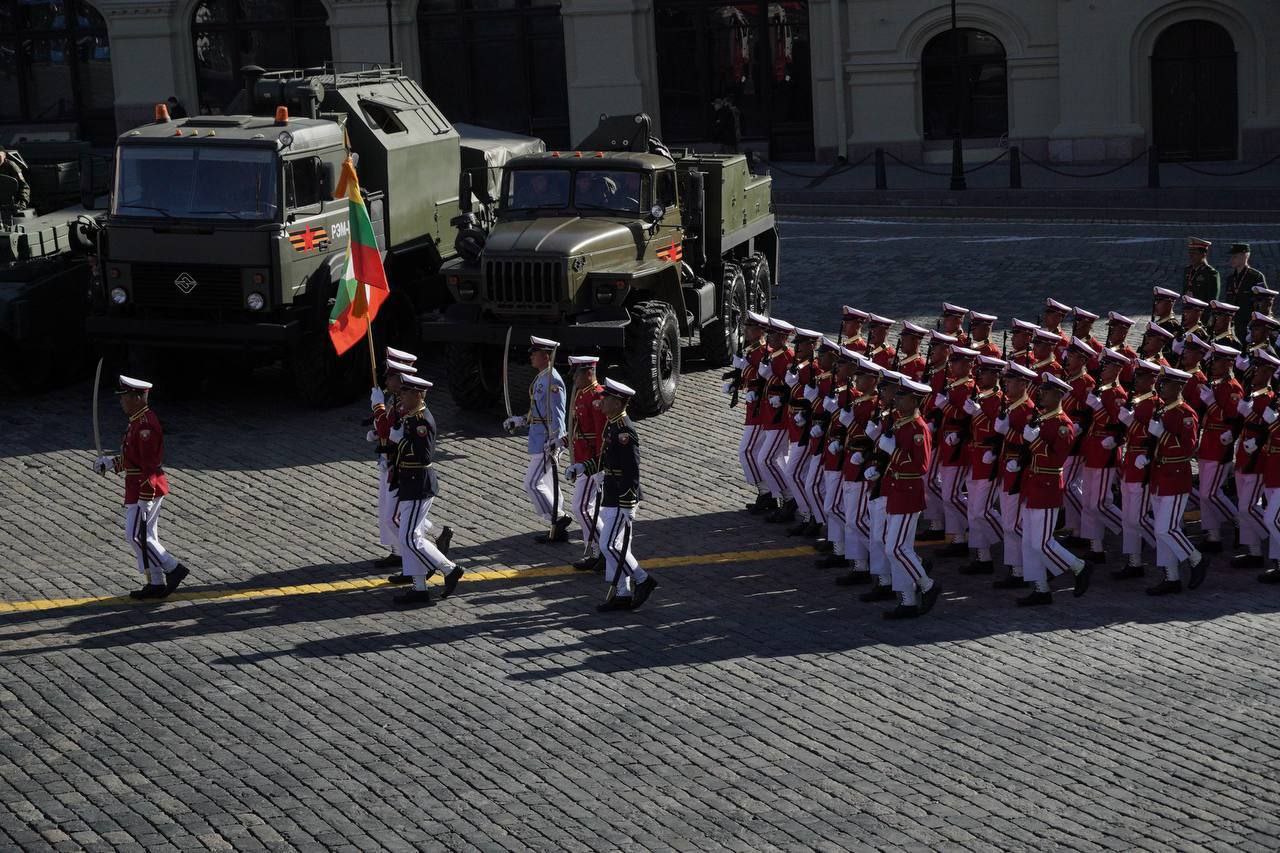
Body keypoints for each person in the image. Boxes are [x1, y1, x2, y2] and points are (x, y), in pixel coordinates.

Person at [93, 375, 189, 600]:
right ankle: (156, 582)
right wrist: (110, 463)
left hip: (145, 488)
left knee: (135, 535)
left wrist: (145, 496)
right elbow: (132, 458)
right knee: (147, 535)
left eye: (125, 397)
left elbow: (148, 466)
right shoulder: (137, 420)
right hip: (138, 486)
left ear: (137, 398)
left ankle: (173, 568)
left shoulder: (145, 425)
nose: (122, 402)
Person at [572, 378, 658, 612]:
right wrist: (584, 468)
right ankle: (623, 591)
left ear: (619, 403)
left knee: (609, 544)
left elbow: (632, 469)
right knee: (615, 545)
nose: (602, 400)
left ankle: (642, 579)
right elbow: (604, 459)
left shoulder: (625, 431)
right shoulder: (611, 424)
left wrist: (628, 501)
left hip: (623, 496)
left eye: (607, 398)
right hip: (611, 492)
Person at [1006, 373, 1092, 606]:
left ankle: (1079, 566)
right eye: (1041, 391)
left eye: (1046, 392)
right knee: (1029, 542)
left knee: (1042, 542)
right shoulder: (1043, 418)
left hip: (1047, 487)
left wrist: (1034, 442)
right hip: (1032, 485)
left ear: (1058, 395)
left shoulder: (1064, 425)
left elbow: (1056, 460)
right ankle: (1040, 588)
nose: (1041, 394)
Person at [867, 375, 943, 619]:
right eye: (897, 395)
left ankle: (928, 585)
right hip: (895, 489)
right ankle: (907, 600)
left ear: (914, 400)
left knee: (896, 548)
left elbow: (921, 466)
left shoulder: (918, 428)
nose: (897, 400)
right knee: (899, 548)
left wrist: (895, 452)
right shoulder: (901, 422)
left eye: (902, 396)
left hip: (908, 493)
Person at [389, 374, 463, 607]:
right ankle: (419, 587)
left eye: (406, 392)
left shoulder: (421, 421)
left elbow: (423, 456)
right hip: (410, 482)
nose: (401, 396)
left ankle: (449, 569)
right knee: (411, 535)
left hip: (419, 482)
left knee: (409, 537)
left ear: (418, 395)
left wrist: (400, 442)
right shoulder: (412, 417)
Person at [1141, 366, 1209, 595]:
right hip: (1159, 477)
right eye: (1161, 384)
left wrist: (1164, 435)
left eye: (1166, 384)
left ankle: (1196, 559)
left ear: (1178, 387)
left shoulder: (1185, 414)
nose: (1161, 388)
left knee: (1164, 529)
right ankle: (1171, 577)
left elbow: (1188, 449)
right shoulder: (1162, 410)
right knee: (1164, 531)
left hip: (1175, 478)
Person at [503, 336, 572, 541]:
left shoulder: (553, 381)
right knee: (549, 485)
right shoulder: (542, 377)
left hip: (547, 441)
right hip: (539, 438)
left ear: (546, 356)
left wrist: (557, 441)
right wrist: (520, 420)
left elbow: (558, 414)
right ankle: (557, 530)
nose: (531, 356)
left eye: (535, 353)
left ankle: (558, 517)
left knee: (532, 483)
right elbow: (538, 411)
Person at [1078, 348, 1129, 563]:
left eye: (1107, 366)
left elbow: (1120, 426)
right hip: (1093, 449)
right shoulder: (1103, 389)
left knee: (1100, 503)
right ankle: (1095, 546)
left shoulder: (1118, 394)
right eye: (1103, 365)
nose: (1103, 369)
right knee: (1089, 503)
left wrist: (1098, 408)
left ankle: (1130, 528)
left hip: (1105, 452)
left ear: (1117, 369)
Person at [1230, 350, 1279, 570]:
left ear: (1268, 372)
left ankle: (1271, 545)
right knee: (1244, 507)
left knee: (1248, 508)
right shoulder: (1255, 395)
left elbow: (1270, 431)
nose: (1255, 372)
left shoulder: (1268, 398)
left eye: (1259, 369)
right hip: (1245, 456)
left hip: (1259, 460)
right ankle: (1254, 551)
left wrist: (1258, 443)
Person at [1114, 359, 1162, 579]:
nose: (1137, 380)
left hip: (1142, 464)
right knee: (1128, 518)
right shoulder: (1139, 400)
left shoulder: (1154, 404)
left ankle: (1165, 547)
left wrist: (1129, 421)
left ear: (1152, 380)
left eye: (1142, 377)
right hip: (1130, 462)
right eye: (1137, 376)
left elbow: (1148, 436)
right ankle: (1134, 562)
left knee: (1138, 517)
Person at [992, 362, 1039, 589]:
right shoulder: (1011, 406)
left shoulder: (1028, 410)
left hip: (1019, 471)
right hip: (1007, 469)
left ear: (1023, 384)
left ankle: (1030, 566)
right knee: (1008, 523)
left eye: (1010, 381)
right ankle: (1016, 568)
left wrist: (1007, 431)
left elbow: (1032, 442)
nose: (1006, 384)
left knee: (1014, 524)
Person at [1194, 344, 1244, 553]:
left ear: (1228, 363)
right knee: (1205, 492)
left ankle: (1240, 522)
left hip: (1220, 446)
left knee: (1210, 494)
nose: (1212, 365)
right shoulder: (1216, 384)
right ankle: (1212, 535)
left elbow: (1231, 418)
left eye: (1217, 361)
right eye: (1212, 360)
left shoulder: (1233, 388)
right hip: (1209, 443)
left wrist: (1211, 402)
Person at [959, 355, 1005, 574]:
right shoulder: (982, 396)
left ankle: (1013, 535)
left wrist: (978, 413)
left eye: (984, 373)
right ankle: (982, 557)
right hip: (975, 459)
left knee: (980, 511)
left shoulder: (998, 399)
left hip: (989, 461)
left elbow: (998, 432)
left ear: (995, 375)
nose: (979, 376)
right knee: (973, 512)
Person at [934, 346, 979, 556]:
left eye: (958, 362)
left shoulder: (969, 387)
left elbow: (963, 416)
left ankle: (977, 524)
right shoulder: (954, 384)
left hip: (959, 446)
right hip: (947, 444)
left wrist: (945, 407)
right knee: (948, 495)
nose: (952, 365)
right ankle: (958, 539)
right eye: (952, 361)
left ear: (969, 365)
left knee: (951, 496)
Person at [776, 328, 821, 527]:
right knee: (799, 474)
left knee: (793, 473)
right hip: (796, 427)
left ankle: (809, 513)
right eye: (797, 344)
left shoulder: (815, 369)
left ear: (812, 346)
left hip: (807, 430)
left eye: (802, 344)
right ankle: (807, 515)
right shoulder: (800, 366)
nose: (797, 347)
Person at [566, 355, 607, 571]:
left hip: (592, 461)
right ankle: (595, 551)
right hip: (582, 459)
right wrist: (563, 441)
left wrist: (599, 464)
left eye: (577, 373)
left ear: (589, 372)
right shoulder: (582, 394)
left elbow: (601, 435)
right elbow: (577, 429)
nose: (573, 378)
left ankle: (605, 548)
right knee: (585, 509)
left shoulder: (597, 397)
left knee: (582, 508)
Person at [753, 318, 797, 517]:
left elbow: (789, 388)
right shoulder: (774, 355)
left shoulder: (788, 357)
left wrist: (770, 377)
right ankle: (783, 499)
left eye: (772, 334)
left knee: (765, 459)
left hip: (780, 418)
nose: (768, 337)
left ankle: (790, 497)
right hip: (770, 415)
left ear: (782, 337)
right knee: (775, 459)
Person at [733, 311, 773, 512]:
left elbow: (765, 379)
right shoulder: (751, 350)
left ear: (760, 331)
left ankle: (769, 491)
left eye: (750, 328)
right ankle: (765, 493)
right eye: (745, 327)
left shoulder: (764, 352)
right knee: (755, 453)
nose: (745, 331)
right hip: (753, 409)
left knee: (747, 451)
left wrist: (746, 369)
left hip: (761, 410)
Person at [1225, 243, 1266, 343]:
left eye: (1235, 256)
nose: (1232, 259)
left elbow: (1264, 301)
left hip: (1249, 324)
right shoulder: (1230, 278)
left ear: (1245, 256)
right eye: (1232, 256)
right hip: (1234, 323)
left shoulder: (1256, 277)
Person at [1182, 237, 1221, 303]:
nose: (1191, 256)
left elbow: (1212, 300)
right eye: (1190, 253)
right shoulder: (1188, 270)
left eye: (1194, 253)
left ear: (1203, 254)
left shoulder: (1211, 273)